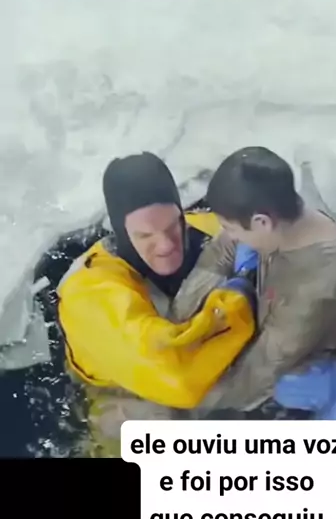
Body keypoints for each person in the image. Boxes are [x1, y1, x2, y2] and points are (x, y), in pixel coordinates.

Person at [57, 152, 256, 455]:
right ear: (122, 233)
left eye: (173, 224)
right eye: (145, 235)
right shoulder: (90, 294)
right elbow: (178, 380)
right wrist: (241, 298)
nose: (165, 244)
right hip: (130, 393)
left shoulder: (209, 231)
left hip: (209, 367)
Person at [199, 146, 336, 427]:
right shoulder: (283, 217)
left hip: (300, 370)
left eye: (231, 228)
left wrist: (188, 401)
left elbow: (261, 369)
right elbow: (218, 253)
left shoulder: (315, 286)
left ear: (262, 222)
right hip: (276, 320)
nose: (229, 235)